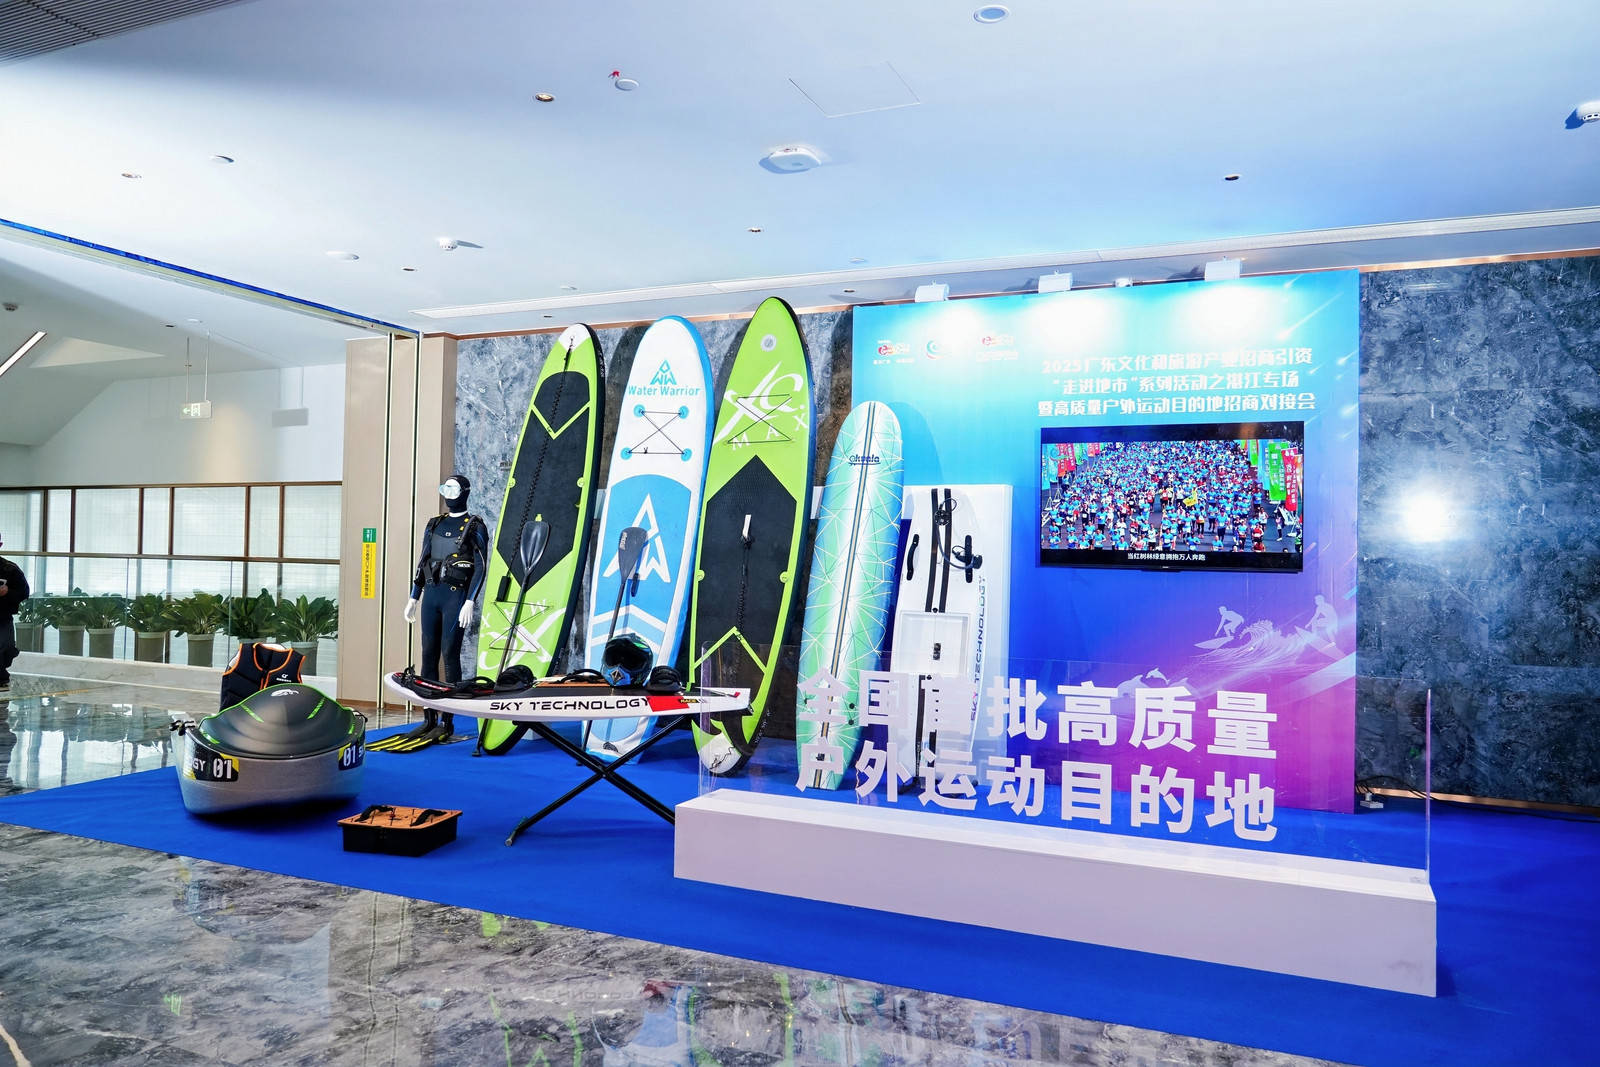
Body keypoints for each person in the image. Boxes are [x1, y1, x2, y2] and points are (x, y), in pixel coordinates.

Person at [370, 475, 489, 752]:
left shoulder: (475, 525)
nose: (449, 493)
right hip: (431, 596)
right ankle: (429, 718)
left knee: (450, 654)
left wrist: (470, 601)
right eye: (446, 488)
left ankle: (448, 721)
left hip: (455, 597)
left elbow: (481, 566)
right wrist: (414, 596)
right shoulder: (434, 523)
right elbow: (423, 559)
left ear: (465, 492)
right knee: (428, 655)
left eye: (454, 488)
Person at [0, 531, 30, 692]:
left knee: (7, 648)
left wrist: (7, 592)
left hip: (3, 617)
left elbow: (24, 592)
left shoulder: (9, 569)